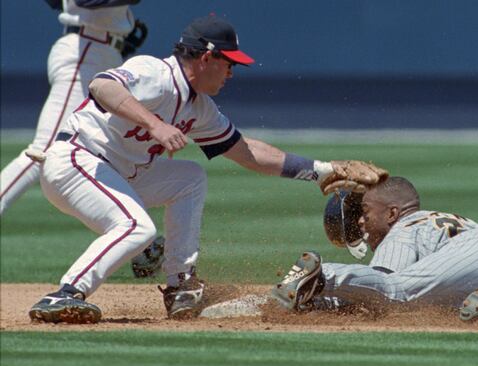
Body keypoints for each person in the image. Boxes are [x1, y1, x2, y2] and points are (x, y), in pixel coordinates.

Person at [27, 15, 388, 324]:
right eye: (229, 63)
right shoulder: (155, 72)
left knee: (189, 178)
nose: (232, 72)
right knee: (137, 227)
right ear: (206, 57)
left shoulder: (200, 109)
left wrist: (322, 170)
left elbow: (248, 153)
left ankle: (180, 286)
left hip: (119, 174)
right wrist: (154, 125)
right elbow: (101, 86)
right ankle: (65, 293)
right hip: (76, 159)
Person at [273, 177, 478, 321]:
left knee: (397, 292)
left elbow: (384, 292)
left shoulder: (403, 230)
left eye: (366, 212)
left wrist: (324, 302)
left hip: (475, 253)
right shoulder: (442, 219)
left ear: (392, 213)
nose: (361, 221)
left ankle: (324, 277)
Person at [0, 0, 146, 215]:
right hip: (86, 50)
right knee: (44, 150)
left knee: (107, 154)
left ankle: (131, 233)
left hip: (100, 48)